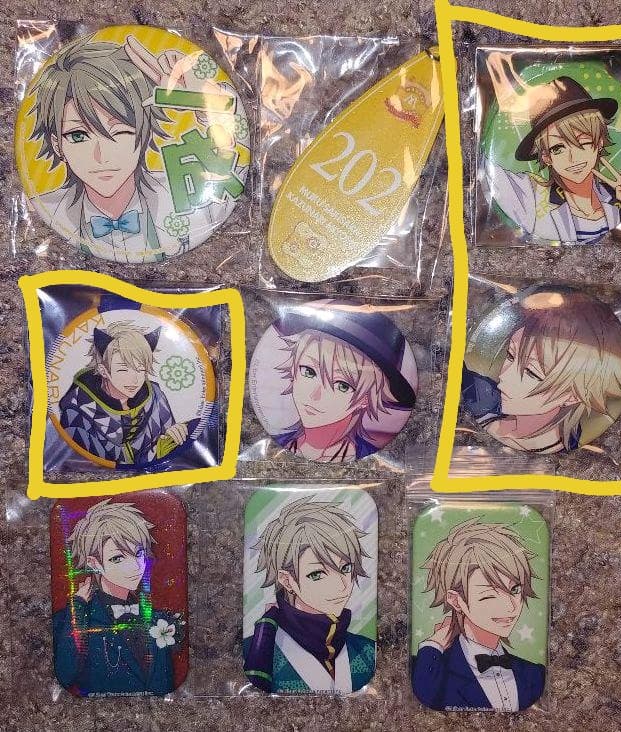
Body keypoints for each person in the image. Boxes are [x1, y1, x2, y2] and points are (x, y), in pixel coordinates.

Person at [28, 33, 244, 262]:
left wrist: (210, 106)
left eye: (120, 132)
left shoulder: (189, 195)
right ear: (57, 145)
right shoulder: (48, 209)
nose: (101, 156)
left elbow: (235, 177)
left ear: (144, 133)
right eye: (79, 135)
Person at [482, 52, 621, 244]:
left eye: (583, 142)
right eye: (558, 148)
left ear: (600, 142)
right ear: (546, 156)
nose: (573, 157)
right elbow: (486, 166)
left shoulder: (620, 200)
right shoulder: (532, 197)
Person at [461, 287, 621, 453]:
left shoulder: (578, 441)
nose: (504, 376)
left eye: (531, 373)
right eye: (510, 356)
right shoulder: (479, 396)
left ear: (573, 395)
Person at [244, 496, 375, 693]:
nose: (342, 586)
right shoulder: (256, 651)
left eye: (346, 568)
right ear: (287, 580)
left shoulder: (367, 650)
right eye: (317, 574)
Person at [412, 518, 545, 712]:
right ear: (456, 600)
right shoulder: (430, 670)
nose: (511, 607)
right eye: (489, 595)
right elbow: (424, 697)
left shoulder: (534, 675)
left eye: (515, 590)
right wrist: (434, 645)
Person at [52, 499, 181, 696]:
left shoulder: (159, 619)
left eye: (139, 553)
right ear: (94, 563)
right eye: (118, 558)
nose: (136, 566)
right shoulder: (72, 620)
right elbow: (64, 676)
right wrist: (78, 608)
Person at [273, 301, 417, 462]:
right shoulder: (279, 443)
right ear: (294, 369)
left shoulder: (372, 457)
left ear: (365, 399)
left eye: (342, 385)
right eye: (308, 372)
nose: (315, 395)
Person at [57, 321, 190, 466]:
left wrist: (172, 438)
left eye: (141, 369)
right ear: (103, 371)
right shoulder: (78, 412)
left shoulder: (156, 397)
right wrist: (157, 451)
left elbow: (170, 450)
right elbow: (97, 466)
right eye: (123, 370)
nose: (135, 380)